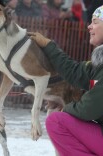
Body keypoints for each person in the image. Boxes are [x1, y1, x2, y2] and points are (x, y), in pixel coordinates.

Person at [28, 5, 103, 155]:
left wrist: (66, 108)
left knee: (56, 121)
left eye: (95, 21)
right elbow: (74, 71)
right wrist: (49, 46)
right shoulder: (98, 64)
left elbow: (89, 108)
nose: (89, 26)